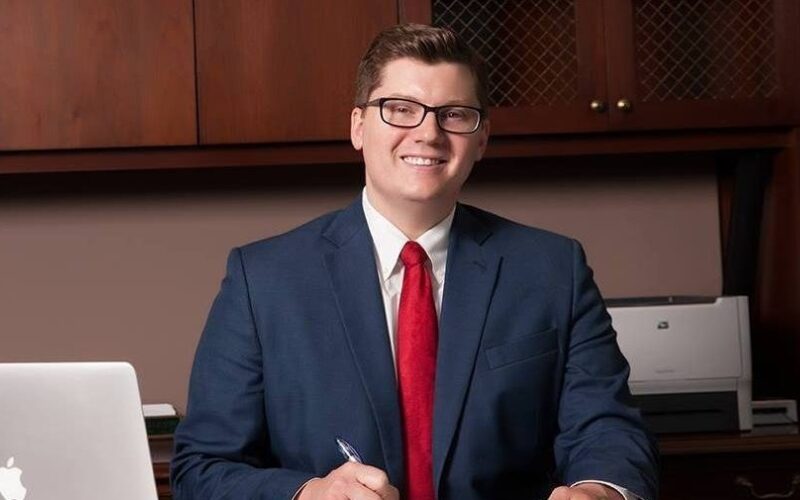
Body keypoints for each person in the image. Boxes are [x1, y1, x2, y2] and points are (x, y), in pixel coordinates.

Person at [171, 23, 659, 500]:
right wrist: (307, 493)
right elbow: (202, 469)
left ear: (482, 138)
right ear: (358, 126)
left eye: (454, 114)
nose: (428, 133)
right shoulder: (262, 280)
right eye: (400, 109)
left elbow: (607, 429)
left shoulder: (553, 270)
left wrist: (601, 490)